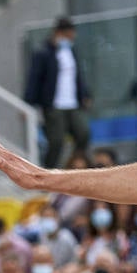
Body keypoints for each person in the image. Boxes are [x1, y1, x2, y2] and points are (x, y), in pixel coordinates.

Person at [24, 17, 91, 169]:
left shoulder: (71, 51)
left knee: (83, 133)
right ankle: (48, 171)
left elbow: (78, 76)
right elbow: (34, 79)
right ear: (59, 33)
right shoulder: (43, 53)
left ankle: (74, 166)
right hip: (54, 104)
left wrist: (84, 94)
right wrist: (28, 103)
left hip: (72, 103)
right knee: (56, 141)